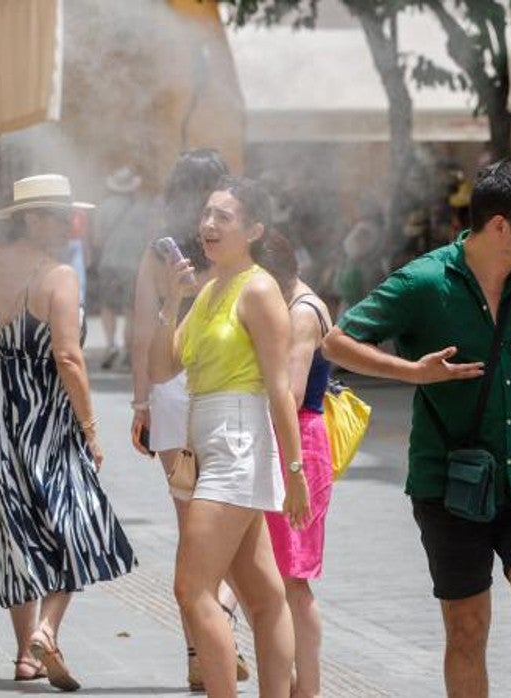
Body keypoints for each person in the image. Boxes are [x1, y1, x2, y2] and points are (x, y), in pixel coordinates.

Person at [322, 160, 511, 697]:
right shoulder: (423, 282)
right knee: (467, 624)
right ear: (499, 227)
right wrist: (412, 372)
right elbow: (337, 343)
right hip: (450, 484)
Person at [0, 174, 136, 691]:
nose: (69, 223)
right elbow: (70, 357)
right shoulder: (59, 276)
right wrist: (92, 429)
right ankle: (46, 633)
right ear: (33, 219)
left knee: (13, 527)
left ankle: (26, 655)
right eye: (59, 214)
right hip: (46, 411)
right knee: (78, 519)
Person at [148, 175, 311, 697]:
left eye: (224, 216)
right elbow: (160, 367)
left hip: (238, 442)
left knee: (192, 589)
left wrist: (295, 471)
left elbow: (281, 387)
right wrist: (171, 302)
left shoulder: (258, 287)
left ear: (254, 229)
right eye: (206, 214)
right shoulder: (208, 289)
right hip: (210, 438)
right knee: (263, 596)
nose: (209, 225)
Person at [127, 148, 252, 690]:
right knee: (238, 528)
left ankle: (199, 651)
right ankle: (221, 614)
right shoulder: (232, 248)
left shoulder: (159, 253)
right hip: (222, 387)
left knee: (190, 531)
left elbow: (141, 333)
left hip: (172, 394)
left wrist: (141, 403)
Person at [254, 230, 335, 698]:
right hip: (281, 442)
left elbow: (293, 392)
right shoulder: (287, 303)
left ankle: (308, 689)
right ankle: (285, 681)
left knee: (293, 579)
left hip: (297, 445)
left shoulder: (302, 312)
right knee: (274, 577)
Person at [95, 166, 154, 369]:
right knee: (131, 309)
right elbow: (150, 237)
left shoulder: (103, 207)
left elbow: (98, 238)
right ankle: (129, 351)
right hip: (134, 264)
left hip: (109, 262)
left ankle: (111, 345)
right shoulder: (143, 208)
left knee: (108, 307)